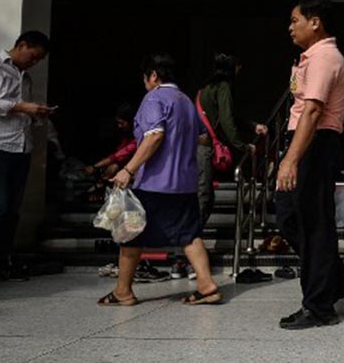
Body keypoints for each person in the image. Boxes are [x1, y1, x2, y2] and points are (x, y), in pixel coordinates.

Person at [100, 54, 220, 306]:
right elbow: (204, 137)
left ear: (154, 75)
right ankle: (206, 285)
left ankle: (123, 291)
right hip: (185, 183)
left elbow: (154, 135)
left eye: (146, 77)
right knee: (189, 235)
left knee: (130, 235)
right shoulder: (186, 101)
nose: (145, 82)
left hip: (154, 182)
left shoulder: (154, 98)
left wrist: (128, 169)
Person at [276, 0, 344, 330]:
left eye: (295, 20)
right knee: (290, 218)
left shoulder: (325, 57)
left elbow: (312, 111)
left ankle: (319, 306)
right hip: (306, 142)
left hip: (316, 144)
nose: (290, 27)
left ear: (315, 22)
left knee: (313, 224)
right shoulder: (311, 57)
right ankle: (334, 279)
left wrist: (291, 159)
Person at [0, 30, 54, 286]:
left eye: (38, 60)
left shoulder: (24, 77)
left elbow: (20, 112)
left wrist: (36, 114)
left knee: (11, 211)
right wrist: (21, 107)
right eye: (33, 57)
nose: (33, 63)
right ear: (22, 45)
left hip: (19, 147)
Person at [195, 53, 267, 228]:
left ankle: (191, 239)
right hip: (204, 148)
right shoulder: (224, 86)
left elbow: (227, 117)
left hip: (196, 145)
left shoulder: (207, 86)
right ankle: (190, 241)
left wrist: (251, 126)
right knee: (204, 197)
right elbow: (227, 119)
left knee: (204, 195)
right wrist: (242, 146)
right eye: (238, 68)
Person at [83, 103, 137, 201]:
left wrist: (95, 167)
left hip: (139, 172)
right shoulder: (126, 136)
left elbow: (119, 155)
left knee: (114, 165)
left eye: (122, 123)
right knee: (113, 166)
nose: (119, 126)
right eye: (118, 123)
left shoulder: (138, 137)